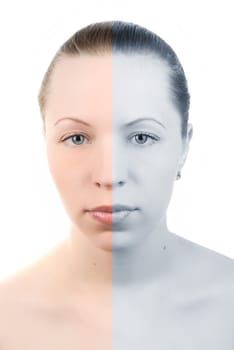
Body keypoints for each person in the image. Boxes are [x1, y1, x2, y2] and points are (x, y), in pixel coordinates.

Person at [0, 20, 234, 349]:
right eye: (76, 137)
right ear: (46, 143)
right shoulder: (7, 323)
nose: (109, 176)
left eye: (142, 137)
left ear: (184, 146)